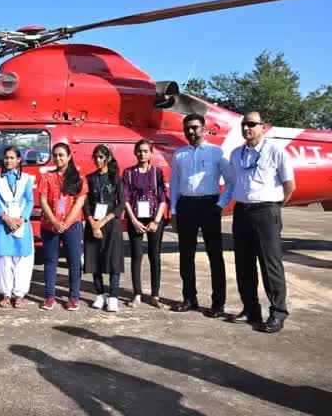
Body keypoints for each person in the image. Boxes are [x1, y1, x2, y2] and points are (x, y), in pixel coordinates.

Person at [227, 112, 295, 333]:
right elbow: (236, 182)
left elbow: (289, 185)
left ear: (263, 127)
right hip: (242, 211)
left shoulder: (275, 151)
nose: (247, 128)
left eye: (252, 124)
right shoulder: (236, 154)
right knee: (244, 264)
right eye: (244, 124)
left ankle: (277, 313)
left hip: (266, 211)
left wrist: (274, 207)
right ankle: (250, 309)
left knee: (270, 264)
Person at [169, 113, 233, 317]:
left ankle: (218, 303)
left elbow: (231, 182)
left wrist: (221, 204)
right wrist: (174, 210)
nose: (190, 131)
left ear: (204, 129)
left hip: (209, 205)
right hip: (186, 206)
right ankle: (189, 298)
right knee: (186, 255)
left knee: (215, 255)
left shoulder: (217, 153)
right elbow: (175, 185)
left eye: (195, 127)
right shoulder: (179, 155)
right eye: (187, 128)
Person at [38, 143, 87, 311]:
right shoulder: (46, 177)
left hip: (72, 226)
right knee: (50, 261)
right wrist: (54, 222)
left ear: (69, 156)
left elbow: (80, 201)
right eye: (55, 155)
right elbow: (43, 201)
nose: (58, 158)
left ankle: (73, 297)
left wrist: (66, 223)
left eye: (61, 155)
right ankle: (49, 296)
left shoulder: (78, 177)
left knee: (74, 262)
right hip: (49, 226)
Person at [122, 139, 168, 309]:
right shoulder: (128, 173)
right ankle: (137, 294)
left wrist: (156, 220)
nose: (142, 154)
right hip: (136, 218)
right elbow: (125, 198)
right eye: (139, 151)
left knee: (154, 257)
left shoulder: (157, 172)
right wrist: (133, 220)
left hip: (154, 218)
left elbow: (162, 197)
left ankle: (155, 295)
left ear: (151, 153)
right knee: (136, 257)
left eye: (145, 151)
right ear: (135, 152)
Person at [0, 146, 34, 308]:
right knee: (3, 259)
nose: (8, 160)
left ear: (18, 160)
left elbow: (30, 201)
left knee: (21, 259)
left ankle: (19, 294)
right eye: (6, 158)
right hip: (3, 223)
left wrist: (23, 219)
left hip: (21, 223)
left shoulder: (26, 179)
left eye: (12, 158)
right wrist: (6, 217)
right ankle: (6, 293)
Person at [83, 145, 126, 313]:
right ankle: (100, 295)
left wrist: (103, 221)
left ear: (108, 158)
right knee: (95, 261)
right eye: (96, 157)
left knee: (113, 261)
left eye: (101, 157)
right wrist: (93, 223)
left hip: (111, 224)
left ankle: (113, 297)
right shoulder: (89, 178)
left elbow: (121, 203)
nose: (98, 160)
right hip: (93, 224)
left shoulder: (116, 178)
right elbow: (85, 205)